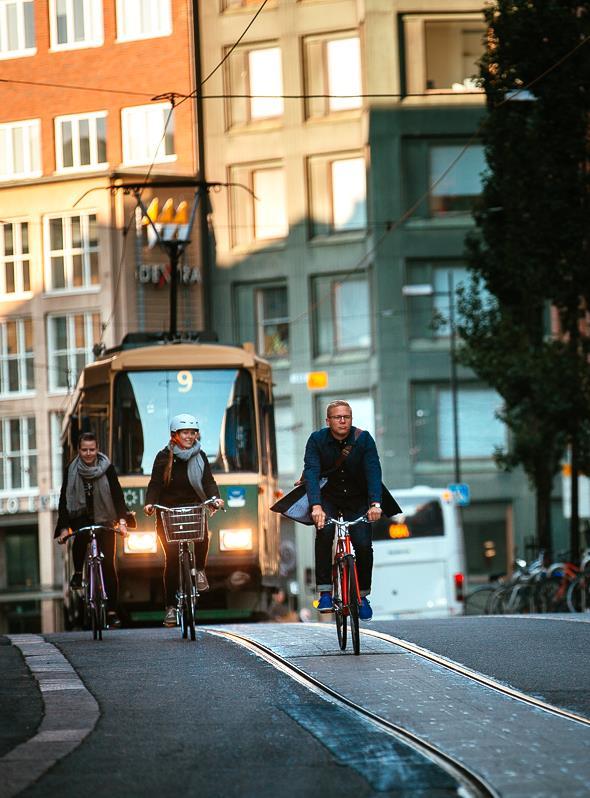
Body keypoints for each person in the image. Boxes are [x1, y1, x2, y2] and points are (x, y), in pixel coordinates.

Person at [303, 400, 399, 622]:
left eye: (347, 416)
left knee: (364, 544)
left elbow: (373, 471)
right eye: (338, 417)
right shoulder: (316, 440)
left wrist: (375, 504)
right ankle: (326, 592)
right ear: (328, 421)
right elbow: (311, 471)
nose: (343, 421)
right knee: (324, 533)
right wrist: (315, 506)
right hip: (328, 498)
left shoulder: (363, 439)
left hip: (357, 499)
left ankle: (363, 595)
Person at [144, 413, 224, 627]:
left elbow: (208, 481)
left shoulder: (201, 456)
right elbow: (154, 484)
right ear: (174, 435)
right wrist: (150, 503)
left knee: (202, 538)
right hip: (167, 512)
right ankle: (170, 607)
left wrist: (215, 498)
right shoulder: (163, 457)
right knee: (171, 559)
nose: (189, 436)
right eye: (185, 432)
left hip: (193, 509)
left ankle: (199, 571)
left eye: (192, 432)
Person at [55, 432, 131, 628]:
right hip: (81, 516)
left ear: (97, 449)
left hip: (105, 518)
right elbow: (64, 500)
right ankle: (79, 573)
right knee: (80, 538)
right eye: (84, 450)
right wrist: (64, 528)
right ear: (78, 450)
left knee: (109, 566)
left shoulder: (107, 468)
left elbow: (117, 495)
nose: (88, 453)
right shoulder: (71, 469)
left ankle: (112, 611)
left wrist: (122, 521)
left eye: (92, 449)